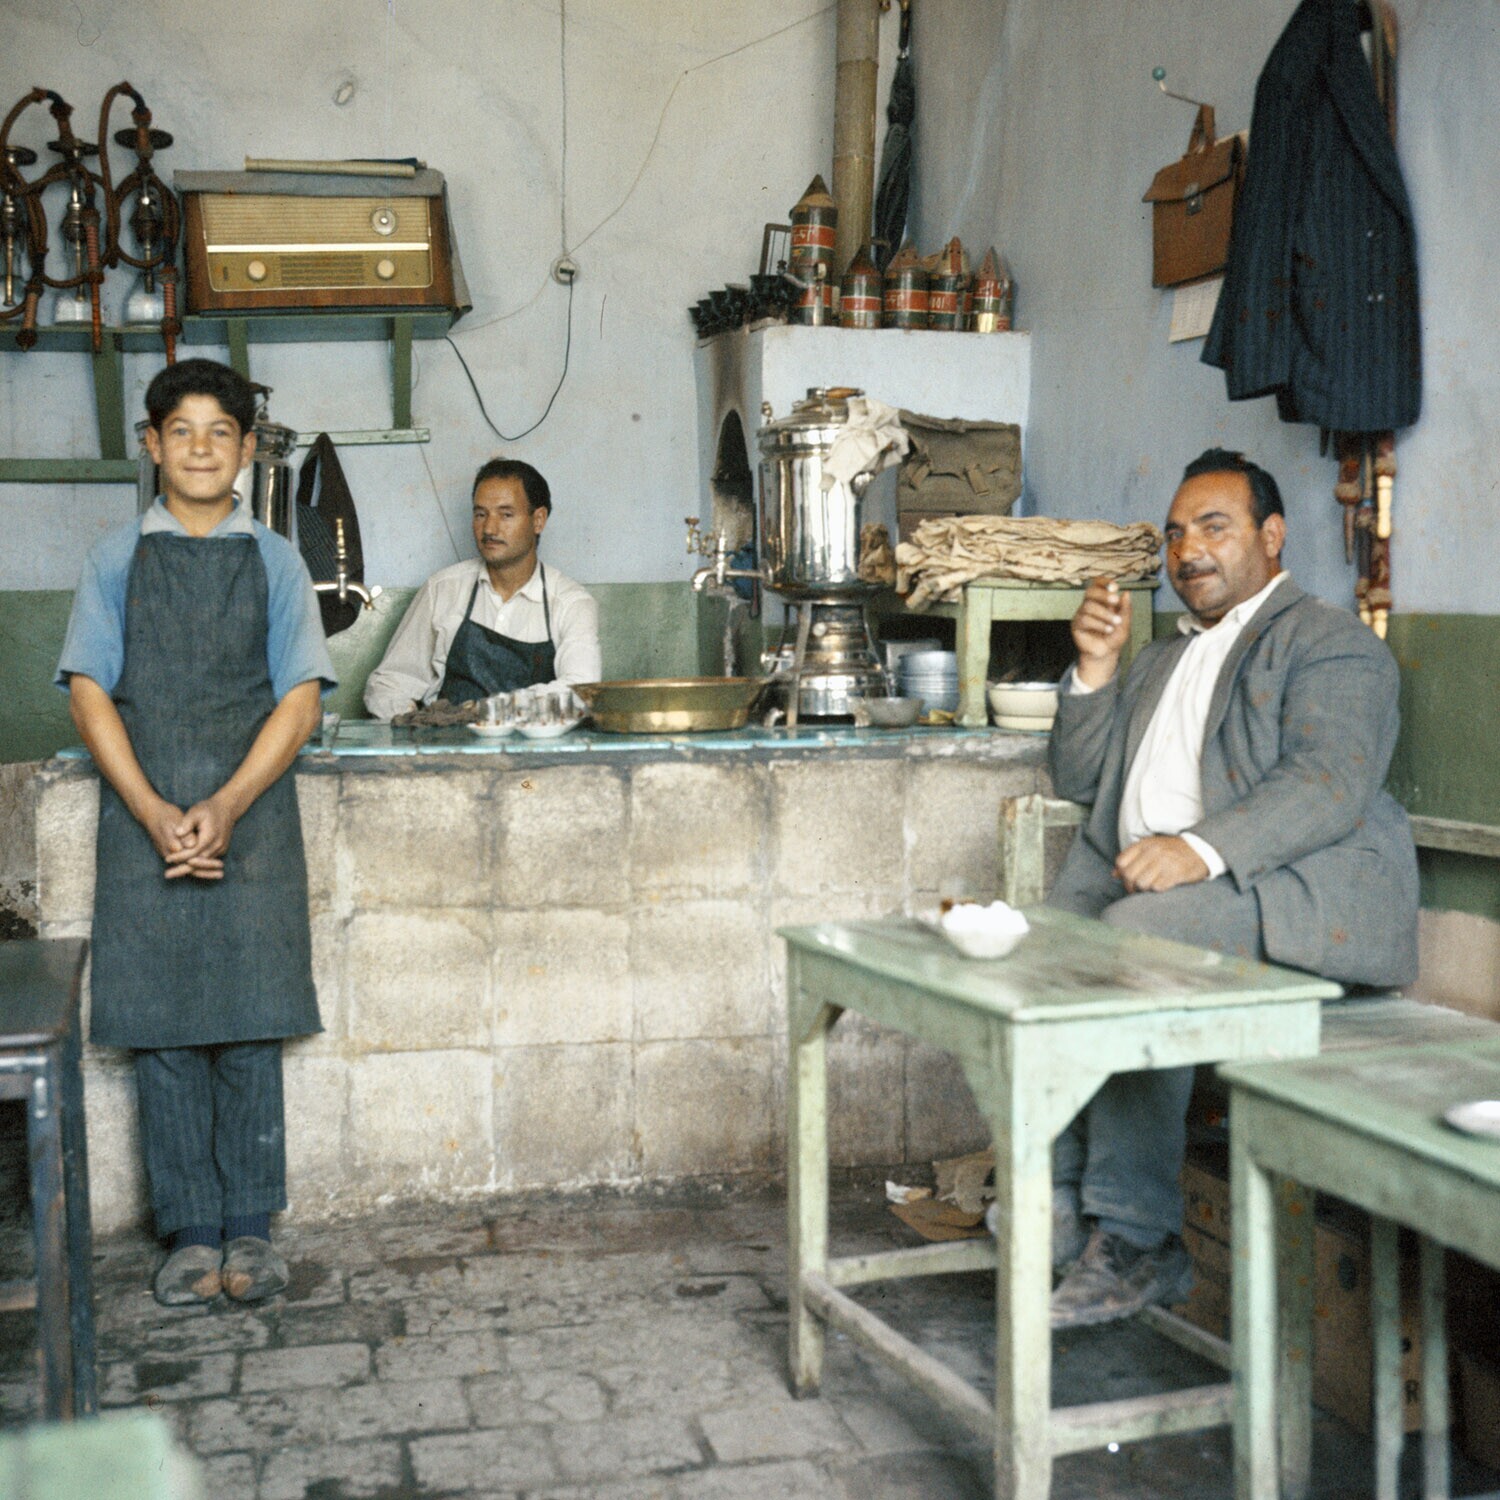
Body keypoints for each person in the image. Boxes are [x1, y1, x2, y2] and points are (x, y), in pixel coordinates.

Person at [1044, 448, 1418, 1329]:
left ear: (1272, 535)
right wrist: (1095, 669)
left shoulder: (1330, 642)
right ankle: (1055, 1198)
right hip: (1163, 894)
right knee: (1042, 946)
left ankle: (1136, 1238)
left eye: (1214, 527)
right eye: (1176, 535)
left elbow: (1329, 781)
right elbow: (1077, 777)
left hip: (1291, 898)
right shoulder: (1160, 659)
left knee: (1140, 944)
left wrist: (1199, 849)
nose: (1188, 551)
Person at [56, 358, 335, 1307]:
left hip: (251, 819)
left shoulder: (277, 561)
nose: (202, 448)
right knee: (164, 1030)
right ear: (152, 444)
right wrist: (152, 808)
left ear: (248, 449)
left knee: (251, 1019)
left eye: (221, 432)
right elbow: (88, 692)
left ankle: (250, 1226)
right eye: (182, 431)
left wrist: (228, 804)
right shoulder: (114, 559)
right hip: (145, 819)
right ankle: (187, 1232)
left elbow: (299, 700)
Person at [363, 457, 601, 719]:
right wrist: (413, 719)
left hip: (533, 745)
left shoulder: (571, 603)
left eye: (506, 514)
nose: (489, 528)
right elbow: (388, 684)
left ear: (538, 520)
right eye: (480, 514)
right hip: (449, 742)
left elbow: (580, 690)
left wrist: (488, 712)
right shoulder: (442, 589)